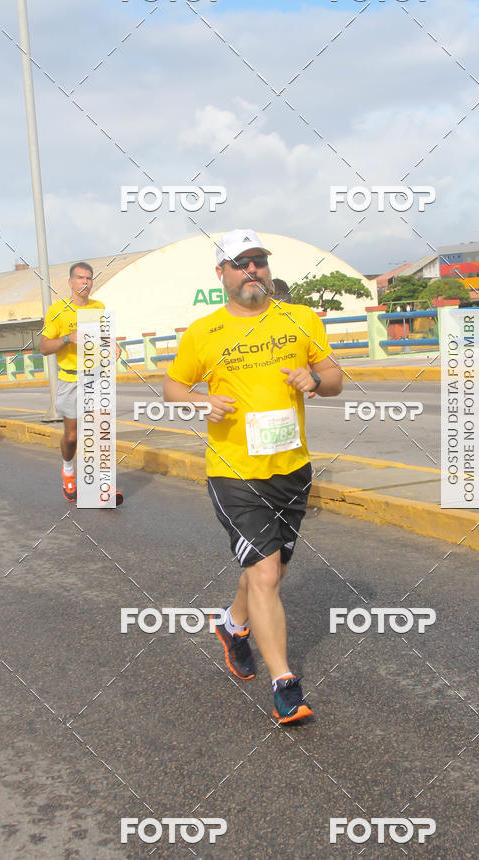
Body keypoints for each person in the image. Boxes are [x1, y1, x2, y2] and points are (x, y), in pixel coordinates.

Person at [164, 229, 343, 723]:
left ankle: (233, 625)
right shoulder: (204, 332)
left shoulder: (298, 318)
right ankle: (285, 685)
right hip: (234, 472)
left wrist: (315, 380)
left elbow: (334, 378)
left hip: (291, 469)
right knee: (265, 572)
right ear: (220, 274)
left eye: (259, 262)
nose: (252, 272)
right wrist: (203, 401)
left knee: (272, 570)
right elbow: (172, 387)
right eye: (241, 264)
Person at [40, 262, 122, 503]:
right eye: (80, 278)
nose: (85, 282)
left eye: (89, 278)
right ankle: (68, 469)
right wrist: (67, 338)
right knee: (73, 436)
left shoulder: (99, 307)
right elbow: (44, 347)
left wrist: (112, 345)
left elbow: (104, 337)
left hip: (96, 377)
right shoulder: (58, 310)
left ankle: (104, 486)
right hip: (70, 379)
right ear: (70, 282)